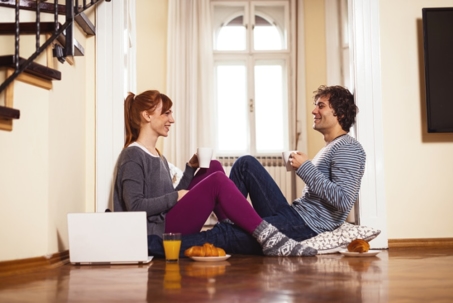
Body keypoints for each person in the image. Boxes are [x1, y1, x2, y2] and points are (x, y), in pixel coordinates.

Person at [147, 85, 366, 257]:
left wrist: (306, 168)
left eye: (321, 105)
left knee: (224, 235)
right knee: (245, 164)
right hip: (293, 213)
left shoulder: (348, 147)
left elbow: (343, 200)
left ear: (338, 112)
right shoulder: (332, 147)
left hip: (306, 225)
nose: (314, 110)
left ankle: (152, 245)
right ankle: (234, 221)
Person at [113, 90, 317, 256]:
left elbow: (173, 198)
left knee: (213, 167)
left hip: (167, 220)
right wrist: (176, 195)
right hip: (157, 232)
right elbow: (135, 206)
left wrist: (190, 169)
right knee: (218, 181)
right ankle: (267, 236)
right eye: (166, 113)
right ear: (147, 115)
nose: (172, 119)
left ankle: (232, 226)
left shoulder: (158, 155)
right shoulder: (132, 156)